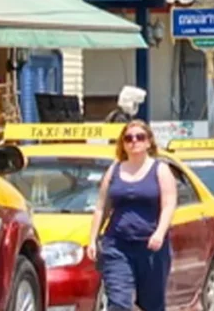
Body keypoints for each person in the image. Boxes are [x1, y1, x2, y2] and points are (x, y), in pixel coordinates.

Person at [87, 120, 177, 311]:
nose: (134, 141)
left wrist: (159, 233)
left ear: (148, 142)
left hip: (151, 247)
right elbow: (102, 207)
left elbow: (169, 204)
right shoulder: (115, 169)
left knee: (151, 304)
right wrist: (92, 239)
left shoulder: (160, 169)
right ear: (123, 144)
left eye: (139, 137)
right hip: (117, 245)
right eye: (128, 138)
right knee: (118, 303)